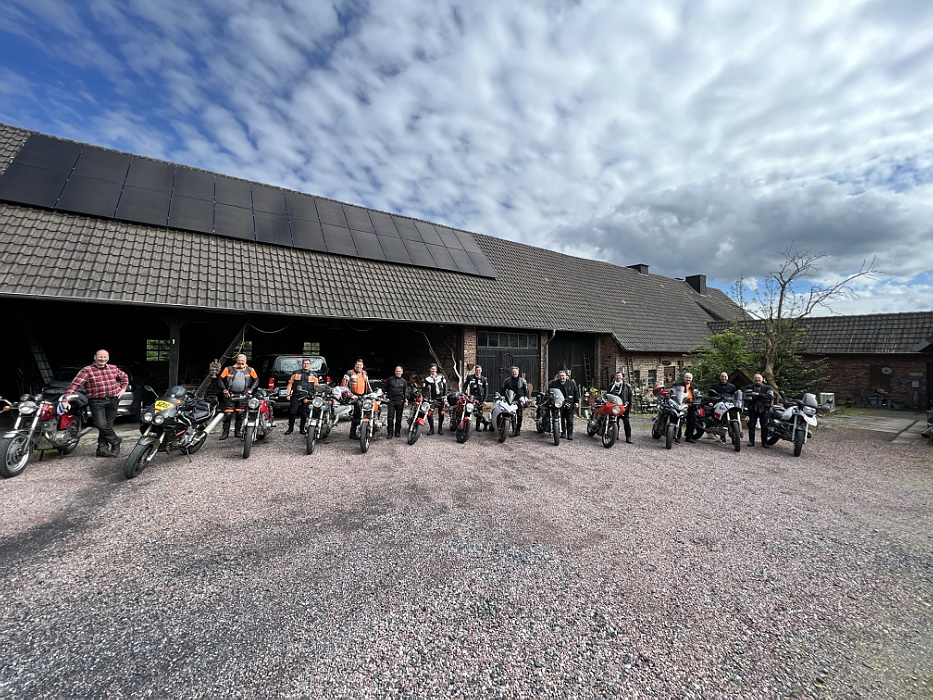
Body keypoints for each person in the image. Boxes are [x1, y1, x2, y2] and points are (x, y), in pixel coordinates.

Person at [62, 349, 128, 457]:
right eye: (100, 356)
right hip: (97, 401)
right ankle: (116, 441)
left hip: (113, 399)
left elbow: (124, 377)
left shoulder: (113, 368)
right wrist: (66, 399)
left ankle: (102, 449)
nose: (103, 359)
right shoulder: (87, 370)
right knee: (101, 425)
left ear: (108, 358)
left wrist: (123, 389)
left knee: (108, 425)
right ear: (95, 357)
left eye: (105, 357)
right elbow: (75, 386)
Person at [217, 354, 259, 440]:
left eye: (243, 361)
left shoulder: (250, 370)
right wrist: (224, 389)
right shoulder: (228, 369)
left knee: (240, 415)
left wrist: (251, 390)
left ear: (246, 361)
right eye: (239, 360)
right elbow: (220, 379)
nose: (241, 362)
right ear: (236, 360)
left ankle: (237, 432)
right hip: (230, 395)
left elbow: (256, 380)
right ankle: (225, 433)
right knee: (228, 415)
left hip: (243, 395)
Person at [284, 358, 319, 435]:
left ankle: (302, 429)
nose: (306, 365)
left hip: (307, 396)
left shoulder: (314, 375)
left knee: (304, 413)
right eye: (304, 363)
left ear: (310, 365)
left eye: (307, 364)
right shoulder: (296, 373)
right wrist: (288, 394)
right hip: (296, 395)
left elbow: (316, 386)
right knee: (292, 412)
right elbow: (290, 384)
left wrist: (317, 394)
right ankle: (290, 428)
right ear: (302, 364)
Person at [341, 359, 372, 440]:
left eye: (360, 365)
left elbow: (367, 384)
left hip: (363, 396)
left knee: (370, 407)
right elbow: (343, 385)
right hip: (353, 396)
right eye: (357, 365)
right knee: (357, 411)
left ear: (363, 366)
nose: (359, 366)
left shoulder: (364, 373)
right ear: (355, 365)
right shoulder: (349, 372)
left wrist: (372, 394)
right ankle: (353, 433)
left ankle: (366, 428)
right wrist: (350, 395)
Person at [548, 369, 580, 439]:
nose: (562, 377)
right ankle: (563, 432)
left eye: (563, 376)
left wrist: (576, 402)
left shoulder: (571, 383)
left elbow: (576, 393)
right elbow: (550, 392)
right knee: (560, 418)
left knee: (569, 420)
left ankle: (570, 434)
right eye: (560, 376)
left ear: (566, 376)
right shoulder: (554, 384)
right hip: (559, 403)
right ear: (558, 377)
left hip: (569, 403)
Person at [745, 373, 773, 448]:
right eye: (756, 378)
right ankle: (751, 441)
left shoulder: (768, 388)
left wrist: (757, 394)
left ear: (762, 379)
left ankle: (764, 443)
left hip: (764, 409)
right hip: (752, 409)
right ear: (753, 379)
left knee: (765, 426)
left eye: (759, 378)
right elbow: (747, 395)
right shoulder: (749, 387)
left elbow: (770, 396)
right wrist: (763, 396)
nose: (757, 379)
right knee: (751, 425)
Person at [606, 370, 634, 444]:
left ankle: (628, 437)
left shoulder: (627, 386)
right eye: (616, 375)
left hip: (624, 407)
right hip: (614, 407)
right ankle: (615, 435)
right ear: (614, 377)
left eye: (619, 375)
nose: (618, 377)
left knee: (626, 422)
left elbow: (631, 397)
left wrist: (631, 406)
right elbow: (608, 395)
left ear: (622, 377)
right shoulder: (611, 385)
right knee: (615, 421)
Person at [674, 372, 701, 443]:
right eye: (687, 377)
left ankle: (689, 437)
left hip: (691, 406)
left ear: (692, 379)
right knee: (678, 421)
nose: (688, 379)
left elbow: (698, 395)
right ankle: (677, 436)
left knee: (692, 422)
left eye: (689, 378)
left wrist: (695, 400)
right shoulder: (678, 384)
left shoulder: (694, 386)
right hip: (680, 405)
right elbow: (673, 392)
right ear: (684, 378)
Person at [502, 366, 529, 435]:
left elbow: (526, 390)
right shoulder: (507, 381)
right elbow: (503, 390)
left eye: (515, 372)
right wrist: (503, 397)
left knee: (519, 415)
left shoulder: (523, 381)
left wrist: (526, 398)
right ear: (511, 373)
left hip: (520, 399)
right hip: (511, 399)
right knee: (512, 415)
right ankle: (514, 429)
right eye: (513, 372)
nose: (514, 373)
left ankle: (518, 429)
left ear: (518, 372)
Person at [422, 363, 448, 435]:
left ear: (436, 369)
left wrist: (445, 396)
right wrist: (425, 397)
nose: (433, 370)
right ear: (429, 369)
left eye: (434, 369)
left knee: (441, 413)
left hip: (441, 397)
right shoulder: (427, 378)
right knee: (429, 413)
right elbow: (424, 389)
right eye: (432, 369)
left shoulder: (441, 376)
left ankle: (440, 429)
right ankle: (432, 429)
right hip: (432, 398)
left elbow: (445, 386)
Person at [465, 364, 490, 431]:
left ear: (481, 371)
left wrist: (484, 400)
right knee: (469, 410)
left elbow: (486, 390)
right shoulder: (470, 377)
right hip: (472, 397)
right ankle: (466, 426)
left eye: (479, 370)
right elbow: (465, 385)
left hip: (480, 397)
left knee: (479, 413)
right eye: (477, 370)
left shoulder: (484, 379)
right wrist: (463, 393)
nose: (478, 371)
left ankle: (480, 425)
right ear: (475, 371)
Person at [385, 366, 408, 439]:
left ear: (402, 372)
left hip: (400, 401)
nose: (398, 372)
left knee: (399, 418)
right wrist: (385, 395)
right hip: (391, 401)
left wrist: (406, 400)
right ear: (395, 371)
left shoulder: (404, 381)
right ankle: (390, 433)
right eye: (397, 371)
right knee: (390, 417)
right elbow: (386, 388)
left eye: (399, 371)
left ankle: (397, 432)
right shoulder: (390, 379)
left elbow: (405, 392)